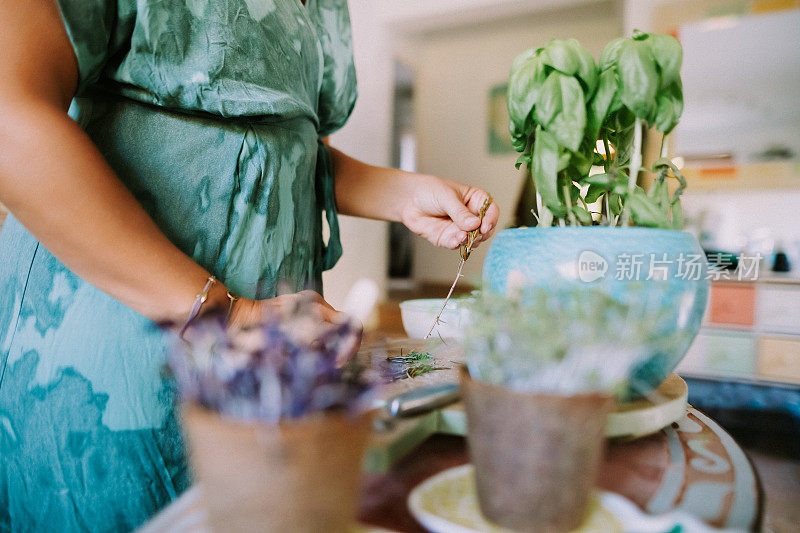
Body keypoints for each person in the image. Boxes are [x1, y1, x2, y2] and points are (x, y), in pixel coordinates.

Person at [0, 0, 499, 530]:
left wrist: (403, 194)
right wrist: (229, 313)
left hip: (271, 369)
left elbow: (290, 150)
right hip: (106, 375)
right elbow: (10, 110)